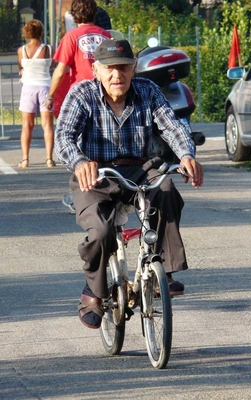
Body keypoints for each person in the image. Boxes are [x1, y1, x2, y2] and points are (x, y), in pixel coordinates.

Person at [55, 38, 204, 329]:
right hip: (94, 174)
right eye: (109, 68)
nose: (116, 75)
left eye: (123, 67)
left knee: (165, 189)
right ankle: (93, 293)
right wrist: (79, 162)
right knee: (102, 231)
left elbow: (172, 126)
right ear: (96, 70)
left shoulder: (147, 91)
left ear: (133, 68)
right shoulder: (82, 94)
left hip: (138, 169)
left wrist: (186, 155)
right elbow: (64, 137)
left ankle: (165, 270)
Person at [45, 0, 111, 117]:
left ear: (74, 14)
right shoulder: (106, 35)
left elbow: (60, 71)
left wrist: (50, 96)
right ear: (94, 13)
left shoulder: (71, 36)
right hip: (105, 91)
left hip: (81, 92)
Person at [17, 19, 55, 168]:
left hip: (28, 88)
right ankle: (49, 159)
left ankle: (25, 159)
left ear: (26, 33)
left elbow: (21, 66)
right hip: (46, 88)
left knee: (27, 126)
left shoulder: (22, 50)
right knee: (48, 126)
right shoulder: (49, 49)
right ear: (41, 32)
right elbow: (52, 65)